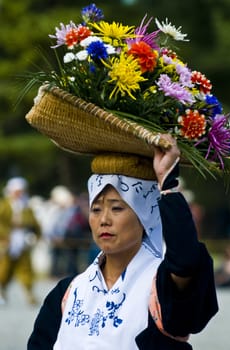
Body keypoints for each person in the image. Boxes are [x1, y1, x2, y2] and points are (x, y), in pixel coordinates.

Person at [27, 134, 218, 349]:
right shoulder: (68, 292)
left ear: (144, 215)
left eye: (117, 208)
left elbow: (186, 261)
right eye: (96, 209)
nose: (104, 220)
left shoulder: (160, 288)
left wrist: (168, 184)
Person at [0, 177, 41, 305]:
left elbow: (35, 224)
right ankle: (2, 292)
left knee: (26, 269)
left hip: (22, 241)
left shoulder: (26, 206)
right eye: (16, 191)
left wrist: (35, 236)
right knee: (4, 269)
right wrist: (4, 237)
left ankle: (30, 295)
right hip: (6, 242)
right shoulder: (4, 205)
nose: (19, 194)